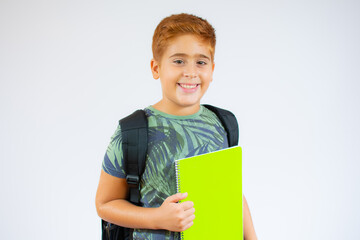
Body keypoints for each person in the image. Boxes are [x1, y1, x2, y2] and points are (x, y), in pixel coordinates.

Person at [95, 13, 257, 240]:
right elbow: (105, 203)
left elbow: (232, 195)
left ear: (212, 69)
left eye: (201, 62)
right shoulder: (132, 133)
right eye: (179, 60)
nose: (190, 72)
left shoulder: (223, 124)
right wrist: (157, 218)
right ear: (156, 68)